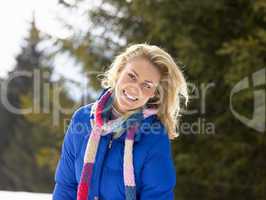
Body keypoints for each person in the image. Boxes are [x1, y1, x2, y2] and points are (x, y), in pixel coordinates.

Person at [52, 43, 189, 200]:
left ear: (154, 93)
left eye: (147, 85)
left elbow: (157, 195)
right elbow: (66, 185)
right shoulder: (82, 119)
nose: (135, 88)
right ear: (119, 71)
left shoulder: (154, 136)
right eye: (132, 76)